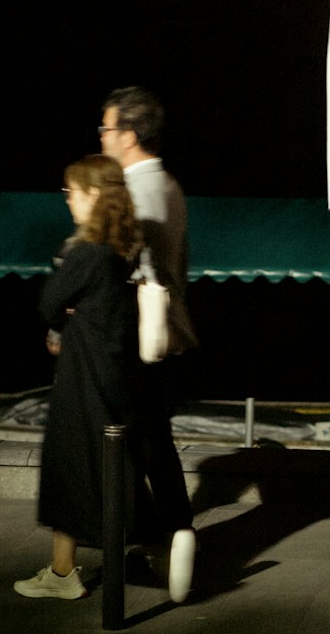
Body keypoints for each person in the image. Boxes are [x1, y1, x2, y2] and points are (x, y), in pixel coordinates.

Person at [13, 155, 139, 600]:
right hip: (113, 370)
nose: (68, 202)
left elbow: (49, 303)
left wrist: (65, 312)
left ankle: (65, 574)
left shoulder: (85, 252)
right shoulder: (124, 247)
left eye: (73, 193)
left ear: (93, 196)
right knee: (107, 463)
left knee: (69, 464)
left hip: (81, 374)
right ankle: (67, 566)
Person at [99, 86, 197, 604]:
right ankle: (172, 537)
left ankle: (162, 540)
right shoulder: (170, 185)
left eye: (106, 129)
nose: (102, 138)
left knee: (132, 443)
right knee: (154, 445)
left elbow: (129, 268)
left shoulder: (135, 191)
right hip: (165, 333)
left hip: (136, 338)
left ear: (129, 135)